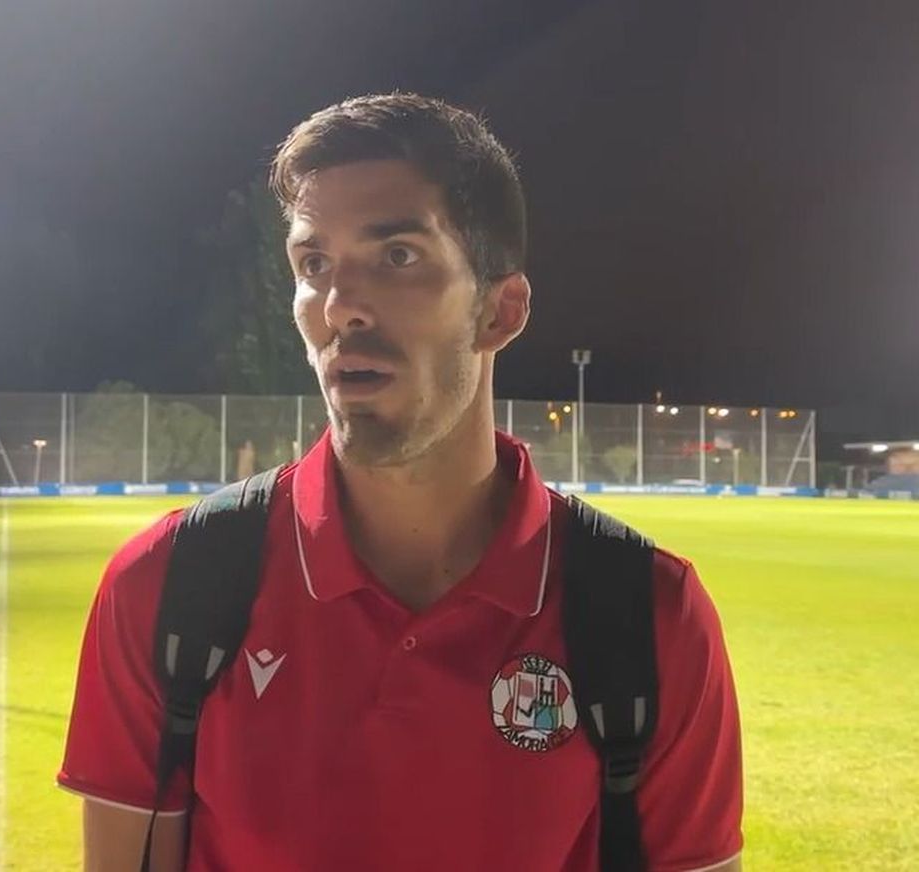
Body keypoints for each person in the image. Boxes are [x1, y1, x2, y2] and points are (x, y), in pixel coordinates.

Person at [58, 94, 743, 872]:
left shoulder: (648, 616)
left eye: (397, 256)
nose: (342, 305)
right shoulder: (169, 588)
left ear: (499, 310)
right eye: (314, 264)